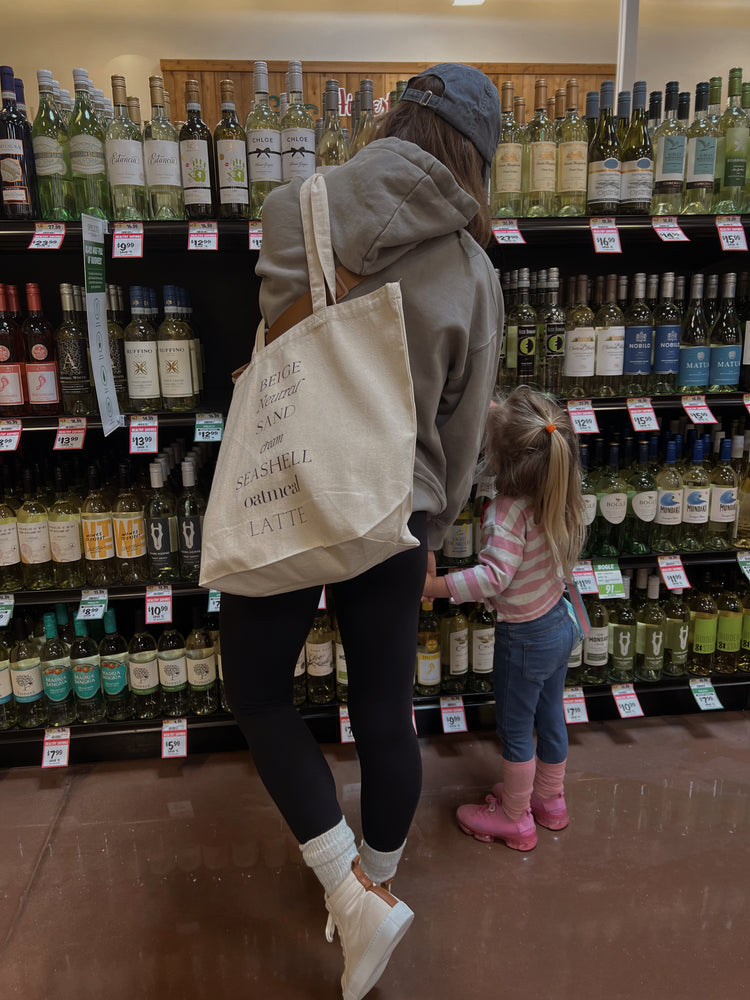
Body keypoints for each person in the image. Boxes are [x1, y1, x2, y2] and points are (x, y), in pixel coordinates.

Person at [218, 64, 503, 1000]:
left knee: (257, 691)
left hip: (289, 495)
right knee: (385, 706)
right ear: (478, 157)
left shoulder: (293, 207)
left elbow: (282, 354)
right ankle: (372, 886)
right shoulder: (471, 268)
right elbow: (463, 428)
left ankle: (347, 891)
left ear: (394, 119)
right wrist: (433, 518)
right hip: (397, 511)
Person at [423, 386, 585, 852]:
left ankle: (515, 818)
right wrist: (496, 413)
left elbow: (493, 577)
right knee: (551, 717)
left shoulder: (507, 514)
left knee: (515, 730)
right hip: (559, 623)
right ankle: (549, 801)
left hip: (526, 638)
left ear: (498, 459)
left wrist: (436, 588)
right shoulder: (558, 492)